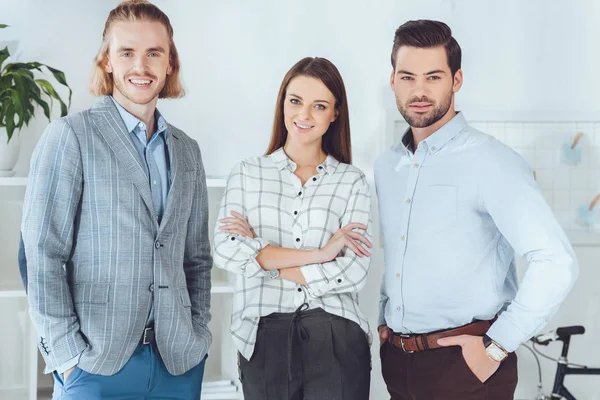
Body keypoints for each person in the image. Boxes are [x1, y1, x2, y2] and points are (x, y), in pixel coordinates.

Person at [376, 19, 578, 400]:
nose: (418, 90)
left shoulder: (492, 162)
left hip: (467, 367)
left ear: (457, 80)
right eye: (407, 77)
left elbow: (557, 261)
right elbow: (397, 256)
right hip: (398, 364)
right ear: (393, 82)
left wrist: (497, 347)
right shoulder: (387, 167)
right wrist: (384, 322)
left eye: (433, 77)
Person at [21, 1, 212, 398]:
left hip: (177, 366)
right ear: (107, 60)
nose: (140, 66)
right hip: (94, 366)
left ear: (169, 63)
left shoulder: (188, 151)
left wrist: (198, 332)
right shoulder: (71, 136)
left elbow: (196, 258)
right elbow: (40, 253)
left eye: (153, 53)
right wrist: (67, 356)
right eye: (127, 52)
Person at [213, 57, 373, 400]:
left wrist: (262, 257)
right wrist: (320, 255)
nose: (304, 115)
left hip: (336, 330)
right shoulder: (247, 173)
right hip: (262, 332)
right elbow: (226, 250)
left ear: (335, 114)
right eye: (295, 101)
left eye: (319, 106)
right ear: (282, 102)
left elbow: (354, 272)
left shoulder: (351, 181)